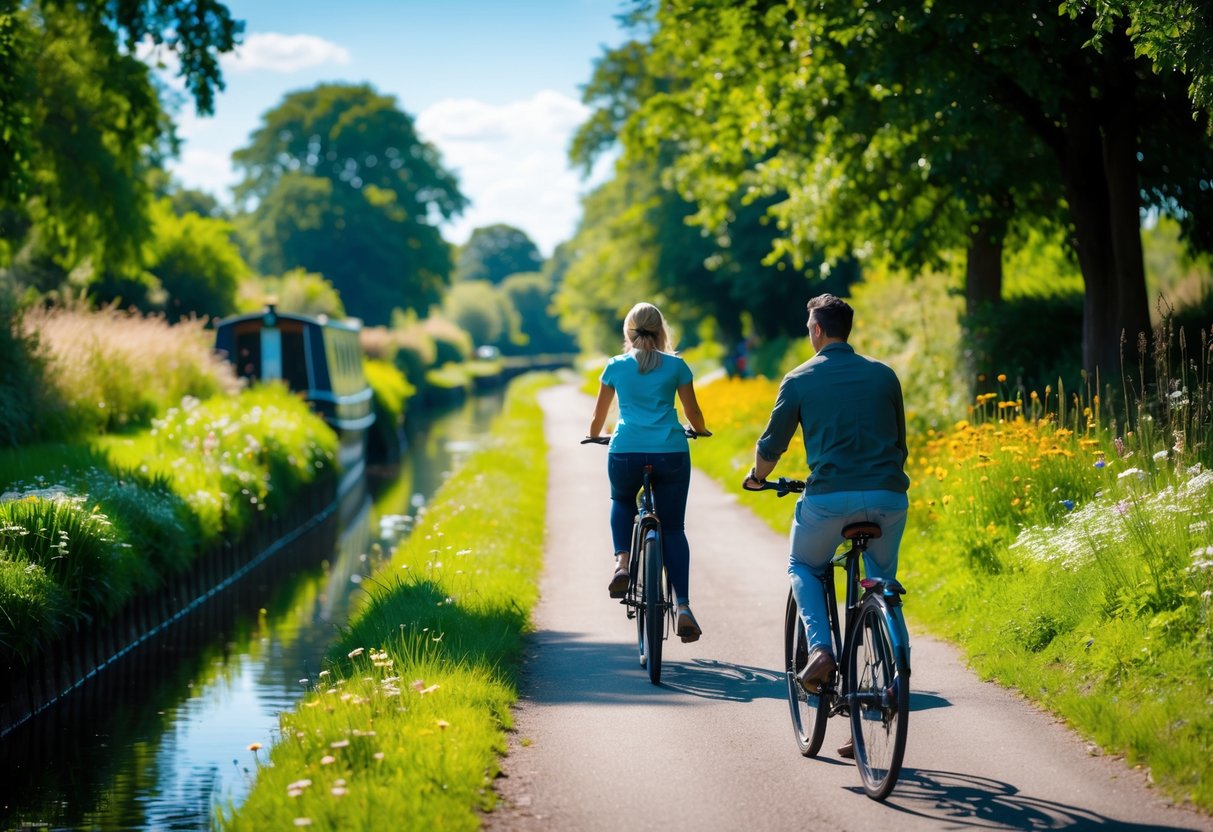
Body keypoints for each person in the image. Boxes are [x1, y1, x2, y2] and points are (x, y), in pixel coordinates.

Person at [743, 294, 909, 756]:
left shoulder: (798, 379)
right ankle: (890, 685)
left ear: (816, 330)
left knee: (803, 565)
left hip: (828, 500)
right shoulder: (884, 375)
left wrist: (758, 477)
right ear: (847, 329)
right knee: (882, 583)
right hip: (889, 497)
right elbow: (899, 441)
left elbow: (772, 445)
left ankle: (820, 651)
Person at [587, 301, 712, 642]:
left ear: (628, 332)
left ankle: (623, 564)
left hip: (625, 450)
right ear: (661, 332)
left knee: (623, 500)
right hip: (670, 452)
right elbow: (693, 411)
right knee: (672, 528)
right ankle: (683, 607)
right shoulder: (677, 366)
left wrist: (596, 434)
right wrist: (698, 430)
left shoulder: (615, 366)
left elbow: (599, 417)